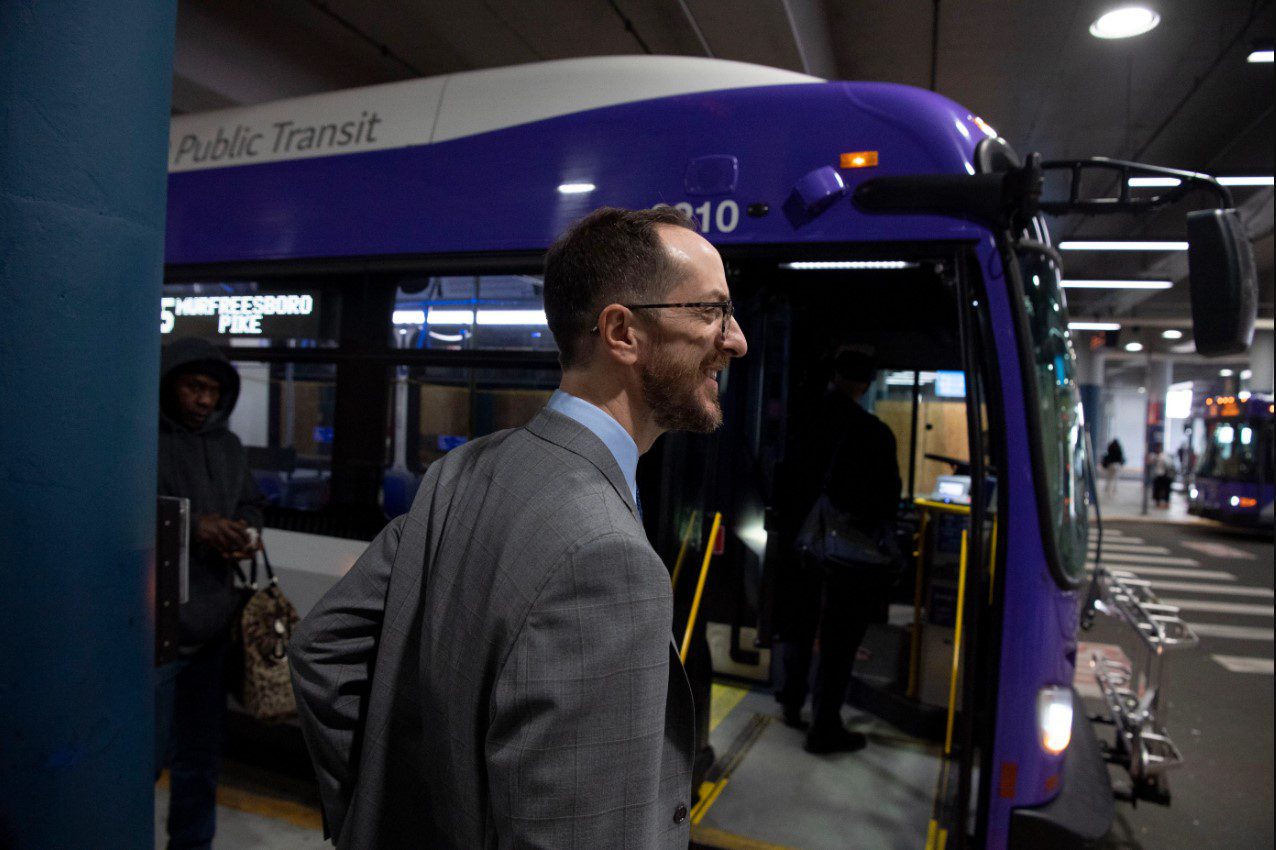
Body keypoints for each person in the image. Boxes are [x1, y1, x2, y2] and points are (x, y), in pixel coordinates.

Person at [289, 207, 747, 849]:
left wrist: (381, 817)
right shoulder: (609, 557)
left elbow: (321, 649)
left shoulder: (461, 471)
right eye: (711, 312)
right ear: (622, 332)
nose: (735, 339)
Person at [156, 336, 264, 850]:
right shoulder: (141, 440)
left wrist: (246, 533)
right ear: (168, 383)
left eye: (214, 392)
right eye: (194, 387)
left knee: (200, 761)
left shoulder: (228, 448)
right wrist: (193, 527)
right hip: (152, 631)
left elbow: (251, 504)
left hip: (212, 629)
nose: (204, 401)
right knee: (143, 754)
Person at [774, 350, 901, 754]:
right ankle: (824, 726)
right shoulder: (873, 433)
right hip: (848, 556)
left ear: (834, 375)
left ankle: (792, 704)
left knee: (798, 622)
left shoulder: (801, 422)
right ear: (866, 384)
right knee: (838, 639)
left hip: (801, 544)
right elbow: (886, 502)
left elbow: (785, 481)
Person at [1148, 442, 1175, 508]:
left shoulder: (1165, 456)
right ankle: (1158, 502)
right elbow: (1150, 463)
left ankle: (1166, 503)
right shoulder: (1153, 456)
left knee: (1166, 490)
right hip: (1158, 475)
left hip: (1165, 476)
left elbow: (1170, 465)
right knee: (1157, 489)